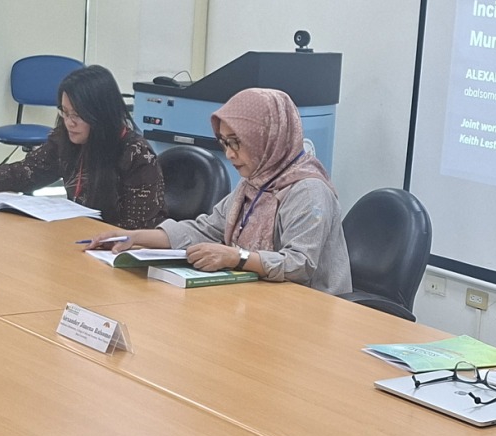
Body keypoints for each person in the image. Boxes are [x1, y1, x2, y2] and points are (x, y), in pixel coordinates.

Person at [85, 87, 351, 294]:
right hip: (260, 294)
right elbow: (206, 229)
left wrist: (237, 257)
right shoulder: (255, 182)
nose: (230, 154)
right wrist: (134, 238)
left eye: (237, 143)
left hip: (309, 307)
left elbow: (299, 264)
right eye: (224, 142)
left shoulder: (308, 191)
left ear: (267, 138)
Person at [0, 64, 165, 229]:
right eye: (64, 112)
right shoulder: (67, 139)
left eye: (77, 115)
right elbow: (26, 171)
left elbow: (138, 230)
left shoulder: (136, 154)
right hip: (78, 238)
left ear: (101, 114)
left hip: (115, 254)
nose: (69, 122)